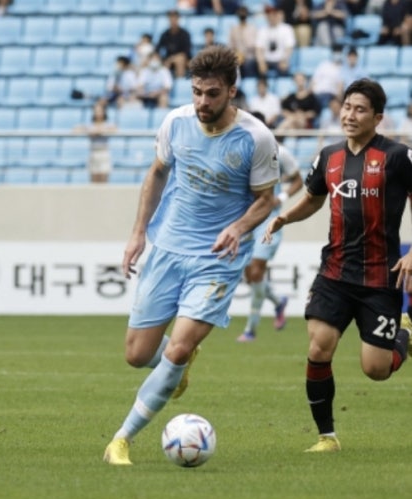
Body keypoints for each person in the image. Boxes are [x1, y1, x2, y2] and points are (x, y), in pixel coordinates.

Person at [102, 46, 279, 465]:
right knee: (137, 355)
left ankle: (121, 440)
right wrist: (137, 233)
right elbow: (157, 173)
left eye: (212, 94)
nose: (202, 102)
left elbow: (265, 200)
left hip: (216, 258)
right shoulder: (175, 122)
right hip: (167, 248)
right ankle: (175, 368)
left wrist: (236, 228)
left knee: (176, 350)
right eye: (197, 92)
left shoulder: (255, 138)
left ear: (231, 92)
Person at [264, 78, 412, 452]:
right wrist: (285, 217)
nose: (349, 115)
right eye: (347, 107)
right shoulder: (328, 156)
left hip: (381, 276)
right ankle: (326, 436)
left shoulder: (397, 156)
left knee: (376, 370)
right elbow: (314, 198)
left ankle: (405, 333)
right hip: (335, 272)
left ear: (378, 118)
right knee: (319, 347)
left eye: (360, 109)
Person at [237, 112, 304, 342]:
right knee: (249, 273)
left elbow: (298, 179)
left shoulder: (279, 151)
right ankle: (278, 300)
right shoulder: (239, 152)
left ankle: (251, 329)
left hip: (269, 219)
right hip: (246, 219)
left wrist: (282, 197)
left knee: (256, 270)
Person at [73, 102, 117, 184]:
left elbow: (114, 129)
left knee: (104, 179)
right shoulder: (90, 125)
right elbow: (76, 130)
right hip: (94, 153)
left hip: (104, 153)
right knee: (94, 180)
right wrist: (89, 130)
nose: (98, 113)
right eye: (96, 111)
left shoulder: (107, 125)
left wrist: (98, 131)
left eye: (99, 111)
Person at [155, 10, 192, 78]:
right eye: (171, 18)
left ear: (178, 19)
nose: (173, 21)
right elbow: (157, 50)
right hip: (168, 60)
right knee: (155, 61)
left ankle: (179, 83)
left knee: (180, 60)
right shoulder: (165, 34)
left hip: (183, 59)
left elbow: (185, 53)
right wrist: (160, 59)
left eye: (175, 18)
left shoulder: (185, 34)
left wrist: (171, 59)